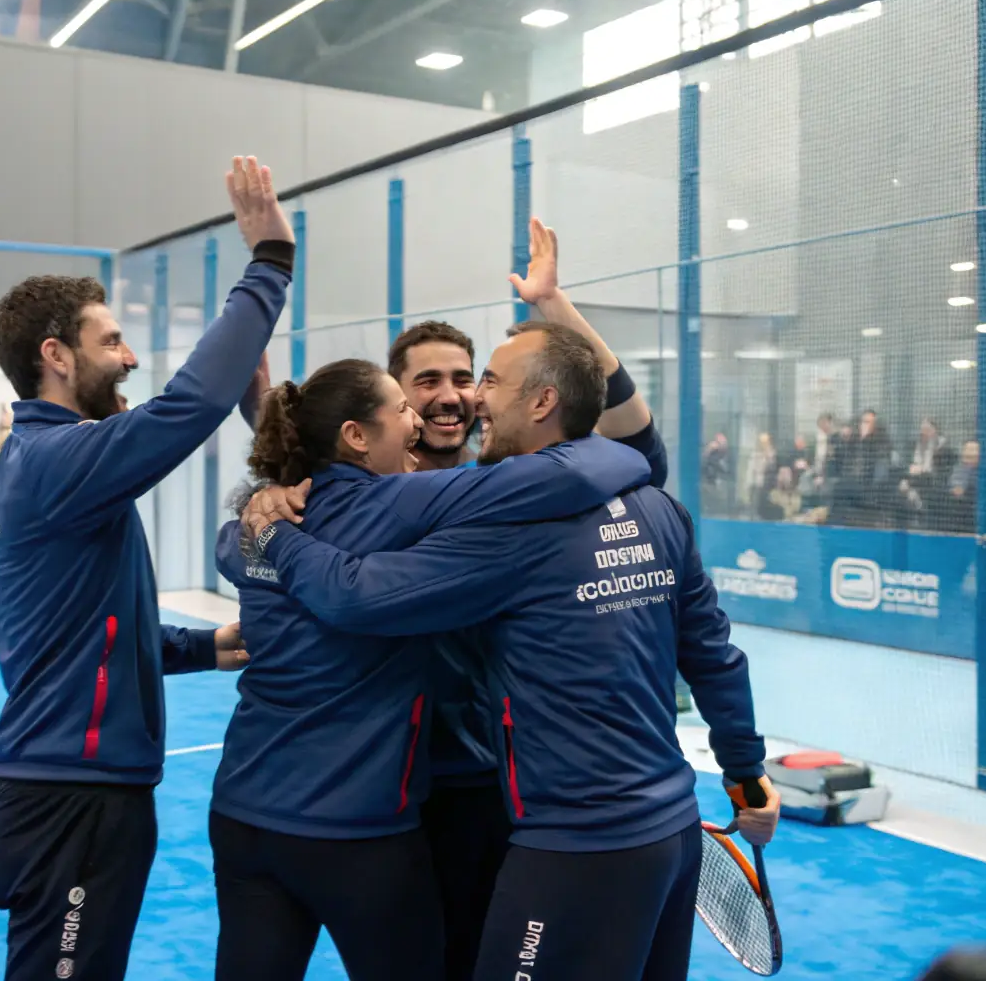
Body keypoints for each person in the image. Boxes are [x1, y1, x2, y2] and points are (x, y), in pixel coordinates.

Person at [243, 321, 778, 981]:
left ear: (542, 401)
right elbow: (714, 655)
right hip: (670, 829)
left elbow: (354, 596)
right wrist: (746, 774)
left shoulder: (511, 530)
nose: (473, 399)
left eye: (488, 381)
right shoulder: (659, 510)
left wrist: (268, 534)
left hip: (574, 847)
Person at [210, 357, 653, 981]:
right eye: (401, 409)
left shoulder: (248, 530)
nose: (415, 422)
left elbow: (232, 545)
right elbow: (588, 470)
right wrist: (633, 452)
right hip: (355, 827)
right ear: (356, 436)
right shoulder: (400, 504)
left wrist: (268, 506)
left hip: (242, 812)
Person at [0, 156, 289, 981]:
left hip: (77, 791)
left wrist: (199, 647)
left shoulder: (45, 460)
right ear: (55, 355)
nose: (127, 358)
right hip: (71, 798)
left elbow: (87, 632)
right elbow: (190, 405)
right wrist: (269, 263)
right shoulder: (56, 459)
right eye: (110, 341)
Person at [378, 216, 667, 980]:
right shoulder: (370, 496)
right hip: (395, 784)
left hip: (505, 781)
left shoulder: (516, 487)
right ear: (394, 399)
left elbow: (636, 443)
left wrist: (552, 307)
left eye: (467, 378)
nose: (452, 396)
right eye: (427, 382)